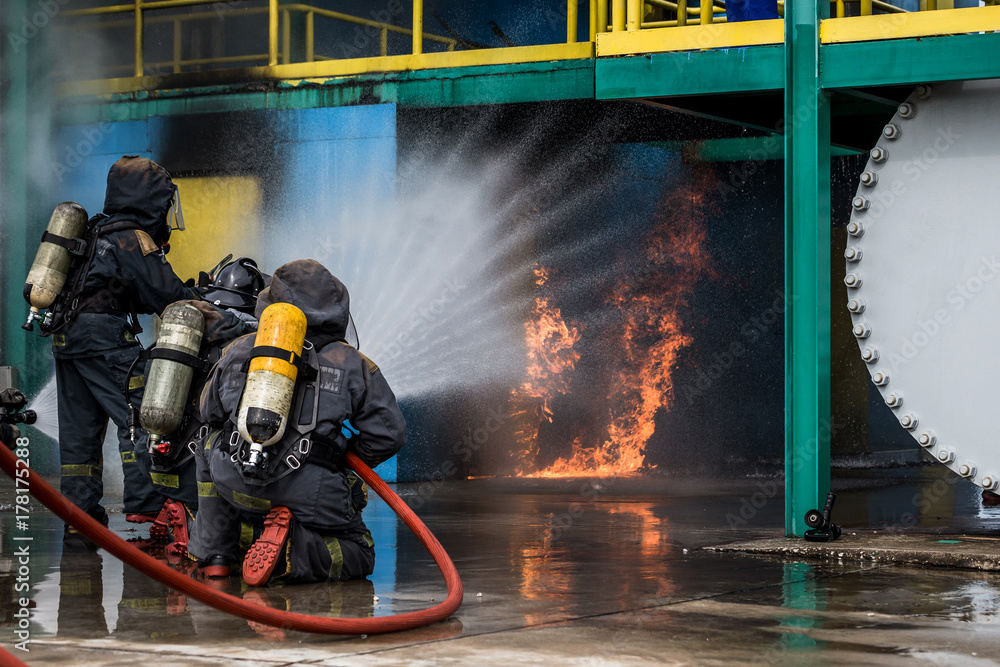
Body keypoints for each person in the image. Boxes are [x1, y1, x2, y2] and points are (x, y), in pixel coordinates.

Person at [188, 259, 406, 585]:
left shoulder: (239, 348)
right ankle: (293, 549)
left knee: (206, 442)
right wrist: (343, 456)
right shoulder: (354, 364)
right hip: (309, 490)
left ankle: (215, 554)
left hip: (233, 476)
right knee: (360, 551)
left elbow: (209, 412)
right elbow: (391, 435)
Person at [52, 155, 199, 529]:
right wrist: (199, 298)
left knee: (79, 434)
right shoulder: (133, 239)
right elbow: (167, 297)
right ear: (152, 202)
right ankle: (146, 503)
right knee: (140, 414)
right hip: (104, 337)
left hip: (68, 339)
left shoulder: (95, 233)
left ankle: (79, 514)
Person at [144, 259, 265, 552]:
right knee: (258, 530)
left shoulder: (179, 337)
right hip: (201, 470)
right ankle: (199, 528)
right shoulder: (244, 345)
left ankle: (181, 512)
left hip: (156, 460)